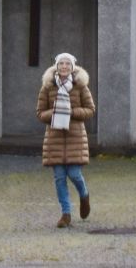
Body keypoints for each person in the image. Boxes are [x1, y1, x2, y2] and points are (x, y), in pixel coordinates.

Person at [36, 52, 94, 229]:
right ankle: (66, 214)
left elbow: (90, 109)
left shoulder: (80, 86)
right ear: (56, 66)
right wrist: (54, 113)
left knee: (74, 174)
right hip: (54, 139)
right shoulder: (47, 87)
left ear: (72, 67)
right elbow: (40, 113)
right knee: (60, 177)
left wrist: (72, 112)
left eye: (67, 64)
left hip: (75, 137)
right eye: (61, 63)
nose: (64, 67)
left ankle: (84, 195)